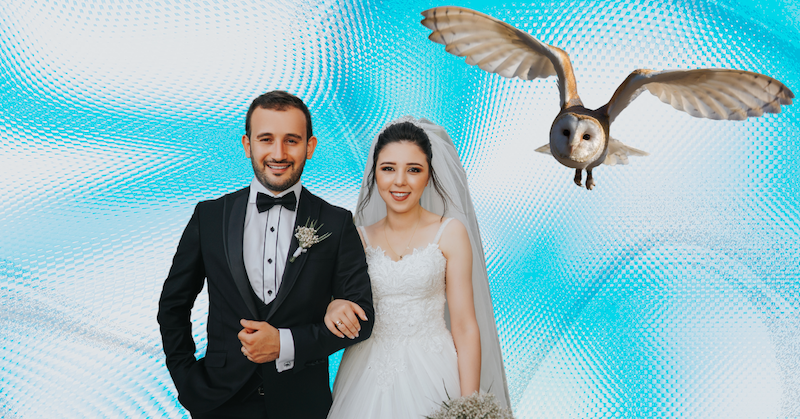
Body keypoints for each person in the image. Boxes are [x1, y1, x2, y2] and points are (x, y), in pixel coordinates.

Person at [157, 90, 374, 419]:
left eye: (291, 140)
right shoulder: (209, 216)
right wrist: (188, 381)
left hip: (303, 406)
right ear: (247, 145)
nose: (278, 152)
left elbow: (362, 318)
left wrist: (285, 343)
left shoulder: (337, 222)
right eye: (266, 139)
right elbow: (173, 306)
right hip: (219, 403)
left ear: (309, 147)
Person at [324, 117, 511, 418]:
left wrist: (468, 406)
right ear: (375, 173)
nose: (400, 181)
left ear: (428, 175)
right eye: (388, 169)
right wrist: (333, 307)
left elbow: (464, 326)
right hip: (366, 370)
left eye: (413, 169)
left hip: (434, 368)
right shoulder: (356, 237)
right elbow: (338, 304)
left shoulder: (450, 233)